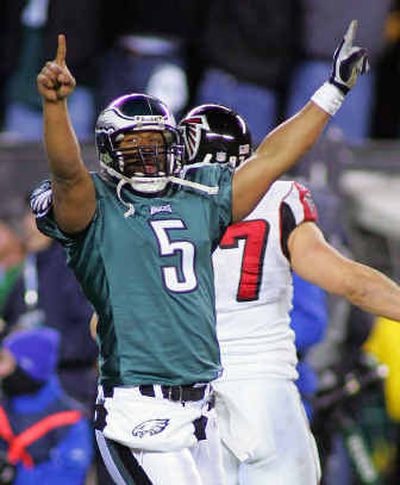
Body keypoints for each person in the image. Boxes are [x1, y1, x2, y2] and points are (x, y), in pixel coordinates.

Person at [32, 20, 367, 484]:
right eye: (134, 147)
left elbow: (270, 158)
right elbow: (68, 175)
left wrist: (332, 91)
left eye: (157, 145)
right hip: (139, 411)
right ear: (108, 153)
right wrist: (55, 107)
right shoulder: (96, 207)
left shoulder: (199, 197)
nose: (148, 158)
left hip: (202, 407)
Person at [178, 102, 400, 484]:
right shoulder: (277, 200)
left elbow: (107, 325)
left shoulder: (157, 209)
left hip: (182, 393)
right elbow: (351, 283)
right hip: (263, 392)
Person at [2, 206, 97, 411]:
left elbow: (92, 336)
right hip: (26, 398)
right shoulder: (25, 270)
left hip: (71, 393)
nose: (27, 226)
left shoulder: (73, 268)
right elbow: (12, 324)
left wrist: (41, 349)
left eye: (34, 217)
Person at [0, 327, 93, 484]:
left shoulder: (70, 420)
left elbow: (69, 476)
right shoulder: (5, 405)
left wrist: (14, 475)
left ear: (26, 368)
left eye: (4, 362)